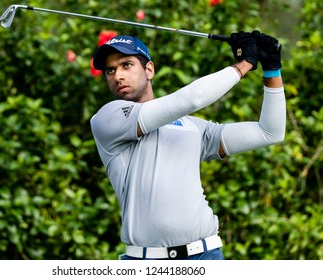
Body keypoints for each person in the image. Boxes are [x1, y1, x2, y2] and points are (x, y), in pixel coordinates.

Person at [90, 31, 285, 260]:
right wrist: (245, 64)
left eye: (126, 65)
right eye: (110, 71)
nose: (117, 76)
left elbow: (269, 132)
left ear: (149, 69)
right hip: (144, 262)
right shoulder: (108, 119)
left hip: (206, 256)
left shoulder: (192, 127)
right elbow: (191, 99)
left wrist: (272, 70)